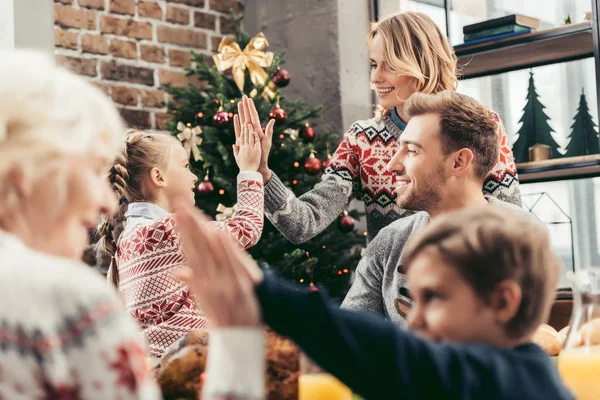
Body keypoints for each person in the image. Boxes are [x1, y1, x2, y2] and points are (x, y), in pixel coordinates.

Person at [174, 204, 574, 400]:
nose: (414, 323)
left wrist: (268, 295)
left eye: (434, 297)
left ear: (503, 302)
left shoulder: (519, 385)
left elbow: (398, 355)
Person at [237, 11, 521, 244]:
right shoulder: (362, 139)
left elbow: (513, 223)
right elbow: (303, 224)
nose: (375, 78)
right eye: (373, 64)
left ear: (421, 63)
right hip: (388, 297)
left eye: (389, 66)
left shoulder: (482, 127)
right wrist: (262, 174)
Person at [0, 50, 161, 398]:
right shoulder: (65, 300)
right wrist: (236, 339)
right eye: (93, 170)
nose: (106, 201)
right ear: (29, 174)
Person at [340, 90, 530, 326]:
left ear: (458, 162)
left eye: (411, 150)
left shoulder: (523, 236)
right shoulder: (390, 243)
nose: (391, 165)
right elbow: (346, 338)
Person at [96, 121, 270, 361]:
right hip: (184, 369)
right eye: (186, 166)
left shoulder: (126, 240)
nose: (194, 176)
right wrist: (249, 170)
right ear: (159, 177)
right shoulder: (168, 230)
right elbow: (247, 226)